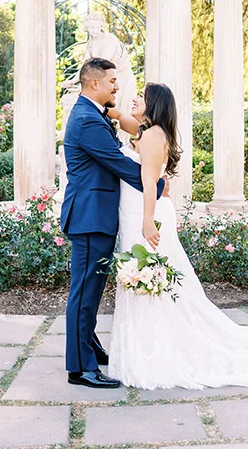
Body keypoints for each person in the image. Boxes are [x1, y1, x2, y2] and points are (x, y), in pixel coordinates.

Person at [106, 82, 248, 390]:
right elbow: (120, 115)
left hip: (145, 215)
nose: (135, 98)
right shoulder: (145, 131)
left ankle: (156, 350)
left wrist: (147, 222)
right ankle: (146, 346)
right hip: (134, 214)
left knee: (149, 278)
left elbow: (151, 181)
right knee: (146, 278)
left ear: (154, 106)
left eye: (142, 96)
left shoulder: (152, 137)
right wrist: (99, 101)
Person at [61, 57, 166, 389]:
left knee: (90, 290)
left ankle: (88, 347)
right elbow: (118, 162)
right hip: (90, 216)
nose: (117, 87)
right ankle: (80, 368)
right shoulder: (87, 119)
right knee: (84, 293)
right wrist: (158, 186)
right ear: (94, 84)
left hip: (96, 214)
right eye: (112, 82)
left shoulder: (91, 113)